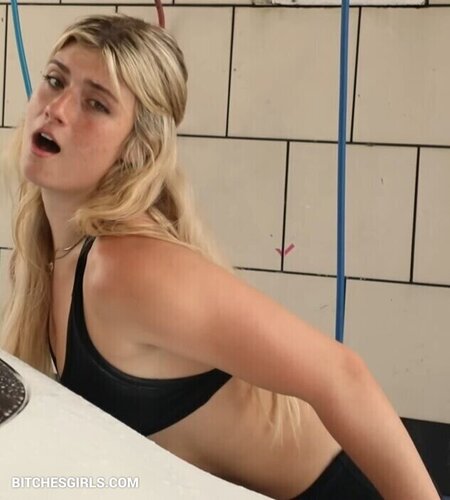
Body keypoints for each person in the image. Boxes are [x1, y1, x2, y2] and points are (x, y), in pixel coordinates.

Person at [0, 14, 441, 500]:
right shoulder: (43, 256)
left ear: (135, 149)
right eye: (55, 80)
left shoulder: (124, 267)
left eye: (96, 103)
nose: (56, 109)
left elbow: (342, 375)